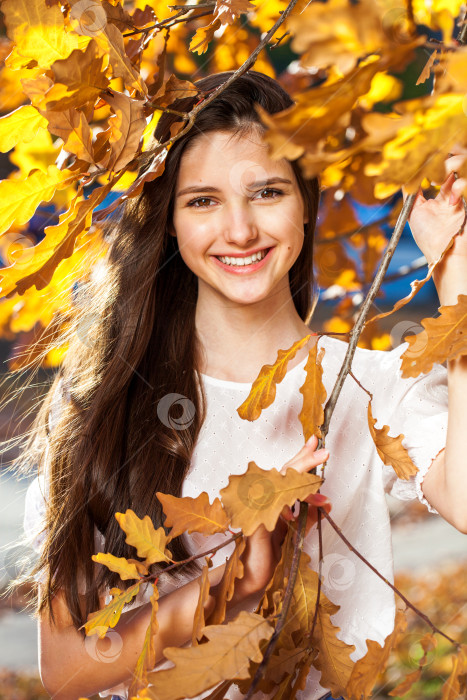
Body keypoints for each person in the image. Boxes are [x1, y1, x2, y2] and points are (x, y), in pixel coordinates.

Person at [19, 70, 467, 700]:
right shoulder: (110, 405)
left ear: (305, 204)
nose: (239, 230)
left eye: (266, 192)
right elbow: (66, 669)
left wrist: (455, 273)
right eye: (202, 200)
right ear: (170, 221)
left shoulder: (368, 386)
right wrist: (233, 584)